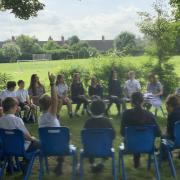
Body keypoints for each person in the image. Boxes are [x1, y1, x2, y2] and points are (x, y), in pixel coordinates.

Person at [121, 92, 161, 168]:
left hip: (130, 145)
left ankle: (136, 161)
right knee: (139, 137)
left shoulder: (126, 114)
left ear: (131, 102)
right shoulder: (149, 114)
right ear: (143, 101)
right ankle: (137, 161)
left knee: (135, 137)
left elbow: (122, 132)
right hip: (148, 145)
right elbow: (158, 133)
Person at [0, 97, 40, 173]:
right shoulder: (17, 120)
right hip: (20, 148)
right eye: (16, 106)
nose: (17, 108)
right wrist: (33, 138)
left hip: (6, 148)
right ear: (12, 107)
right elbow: (27, 137)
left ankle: (10, 165)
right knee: (37, 143)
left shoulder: (1, 120)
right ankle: (25, 162)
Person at [38, 72, 63, 176]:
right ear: (50, 105)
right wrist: (52, 83)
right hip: (57, 146)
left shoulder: (40, 118)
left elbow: (53, 101)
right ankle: (60, 164)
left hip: (45, 146)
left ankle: (59, 165)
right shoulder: (51, 115)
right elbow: (55, 99)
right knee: (66, 136)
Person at [84, 99, 116, 173]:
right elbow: (113, 135)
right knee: (106, 144)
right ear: (103, 110)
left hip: (90, 149)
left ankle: (93, 164)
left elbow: (84, 137)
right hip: (105, 148)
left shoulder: (88, 122)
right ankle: (102, 163)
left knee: (91, 144)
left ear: (91, 110)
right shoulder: (107, 121)